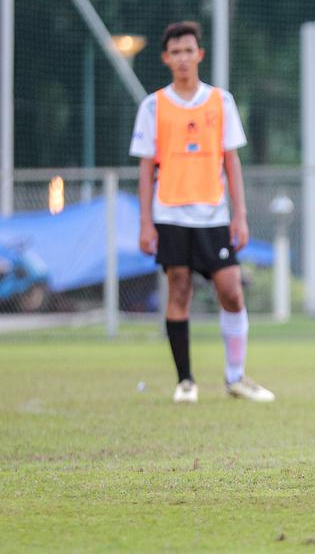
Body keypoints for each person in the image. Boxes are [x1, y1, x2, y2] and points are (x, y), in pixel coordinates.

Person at [130, 21, 275, 405]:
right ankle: (186, 382)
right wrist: (146, 221)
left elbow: (232, 162)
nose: (182, 58)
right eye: (175, 52)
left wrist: (239, 215)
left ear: (199, 54)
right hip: (171, 214)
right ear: (166, 58)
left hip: (213, 215)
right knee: (179, 290)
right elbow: (146, 169)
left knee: (231, 290)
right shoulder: (153, 106)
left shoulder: (220, 102)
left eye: (188, 50)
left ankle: (236, 378)